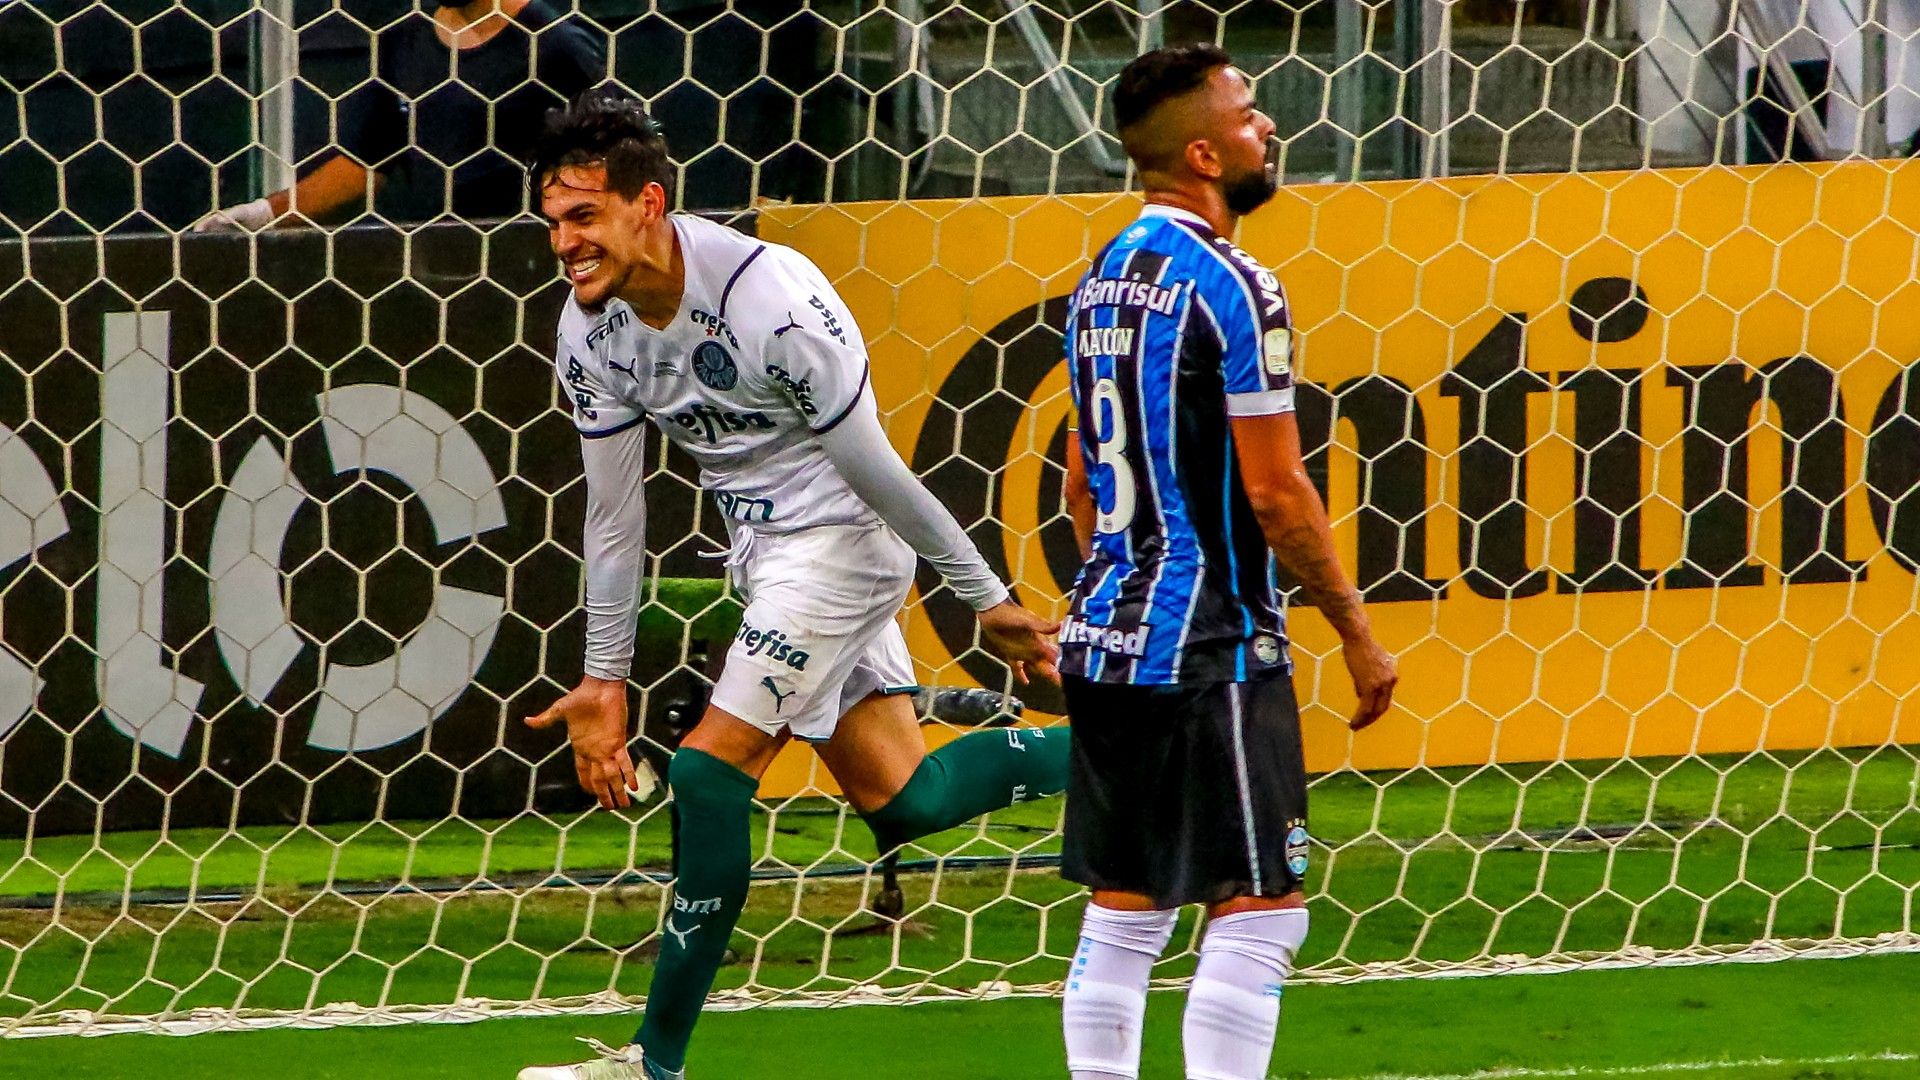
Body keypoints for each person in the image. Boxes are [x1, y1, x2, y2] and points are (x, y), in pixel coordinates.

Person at [514, 89, 1071, 1080]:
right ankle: (1142, 730)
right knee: (903, 800)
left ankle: (652, 1061)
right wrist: (603, 677)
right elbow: (613, 517)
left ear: (648, 204)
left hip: (843, 543)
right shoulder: (590, 333)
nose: (565, 244)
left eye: (584, 217)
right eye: (554, 221)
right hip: (766, 557)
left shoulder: (772, 298)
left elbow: (877, 470)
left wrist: (983, 597)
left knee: (705, 768)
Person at [1055, 44, 1398, 1080]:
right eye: (1251, 116)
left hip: (1107, 637)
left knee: (1127, 913)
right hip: (1209, 647)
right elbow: (1276, 492)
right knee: (1260, 915)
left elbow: (1079, 482)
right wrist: (1355, 629)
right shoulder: (1236, 285)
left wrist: (1123, 581)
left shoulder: (1099, 278)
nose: (1269, 129)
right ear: (1204, 154)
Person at [195, 0, 603, 230]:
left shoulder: (554, 43)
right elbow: (368, 159)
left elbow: (618, 151)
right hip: (428, 262)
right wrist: (266, 213)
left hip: (522, 263)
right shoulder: (404, 41)